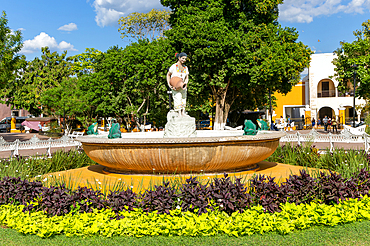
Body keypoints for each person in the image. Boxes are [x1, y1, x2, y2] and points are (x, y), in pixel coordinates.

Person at [167, 52, 189, 117]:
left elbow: (187, 77)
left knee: (183, 98)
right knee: (177, 97)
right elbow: (168, 75)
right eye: (182, 58)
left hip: (183, 86)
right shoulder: (174, 66)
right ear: (179, 58)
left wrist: (185, 82)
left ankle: (183, 112)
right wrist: (169, 84)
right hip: (175, 86)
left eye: (185, 59)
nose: (184, 60)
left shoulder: (185, 68)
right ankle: (179, 112)